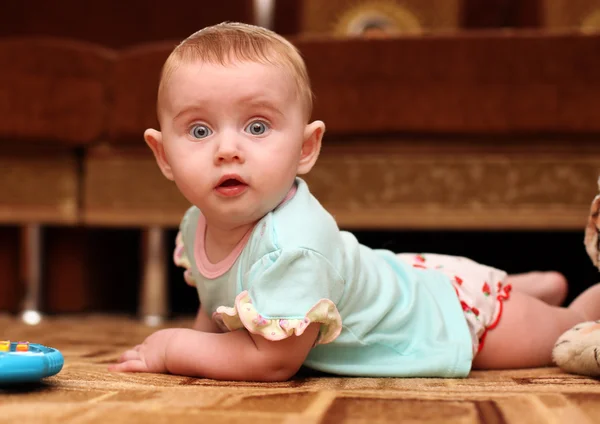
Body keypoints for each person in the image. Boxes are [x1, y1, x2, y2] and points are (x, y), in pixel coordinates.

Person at [109, 22, 597, 381]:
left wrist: (173, 348)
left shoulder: (295, 245)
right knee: (505, 296)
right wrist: (201, 340)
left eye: (257, 126)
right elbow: (220, 310)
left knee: (569, 333)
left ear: (305, 148)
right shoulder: (198, 222)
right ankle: (528, 286)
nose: (228, 148)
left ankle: (541, 298)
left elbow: (273, 359)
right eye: (199, 130)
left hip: (449, 316)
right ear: (163, 154)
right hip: (407, 278)